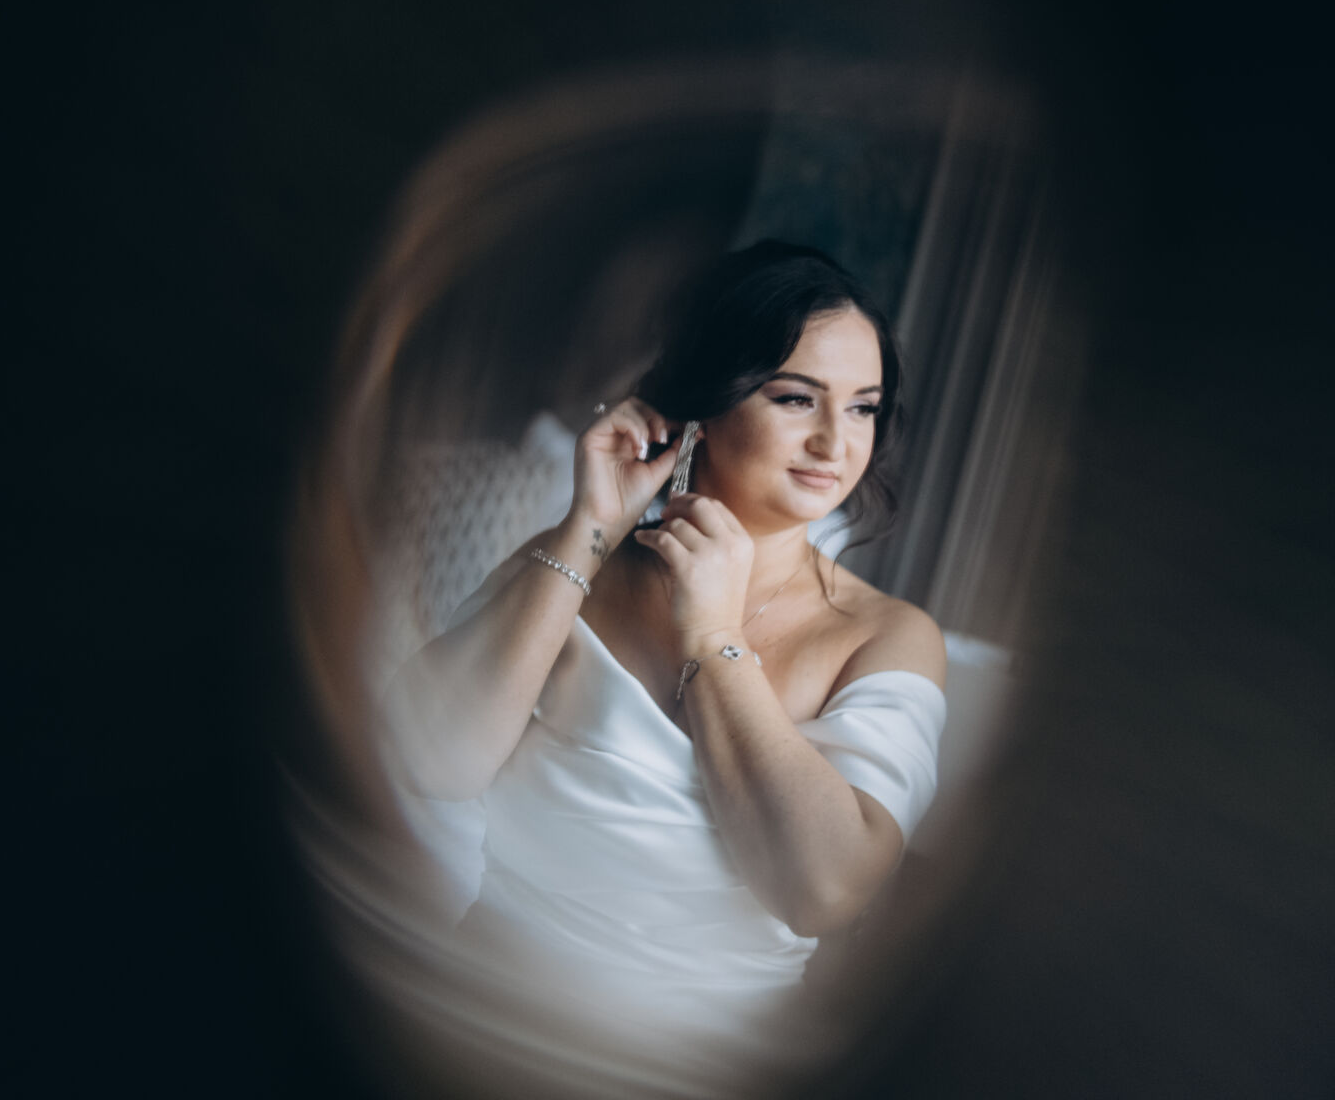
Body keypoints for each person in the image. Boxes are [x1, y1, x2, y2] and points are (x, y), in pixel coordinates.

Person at [391, 242, 948, 1052]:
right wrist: (588, 528)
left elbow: (825, 893)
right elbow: (430, 759)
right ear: (705, 401)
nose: (837, 443)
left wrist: (714, 636)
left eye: (863, 408)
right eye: (798, 399)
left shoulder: (885, 636)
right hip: (471, 1015)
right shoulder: (571, 568)